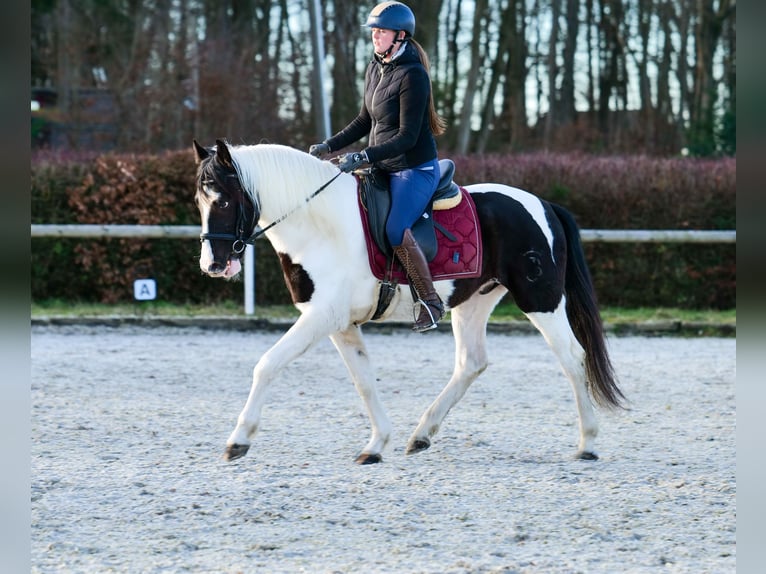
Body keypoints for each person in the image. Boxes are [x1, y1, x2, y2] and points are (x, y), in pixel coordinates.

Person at [309, 1, 448, 332]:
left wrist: (365, 156)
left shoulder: (414, 75)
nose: (375, 36)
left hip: (414, 169)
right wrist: (330, 145)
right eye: (373, 31)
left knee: (395, 228)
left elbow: (406, 137)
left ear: (400, 36)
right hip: (383, 166)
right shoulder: (376, 67)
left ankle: (430, 301)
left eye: (381, 31)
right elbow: (363, 120)